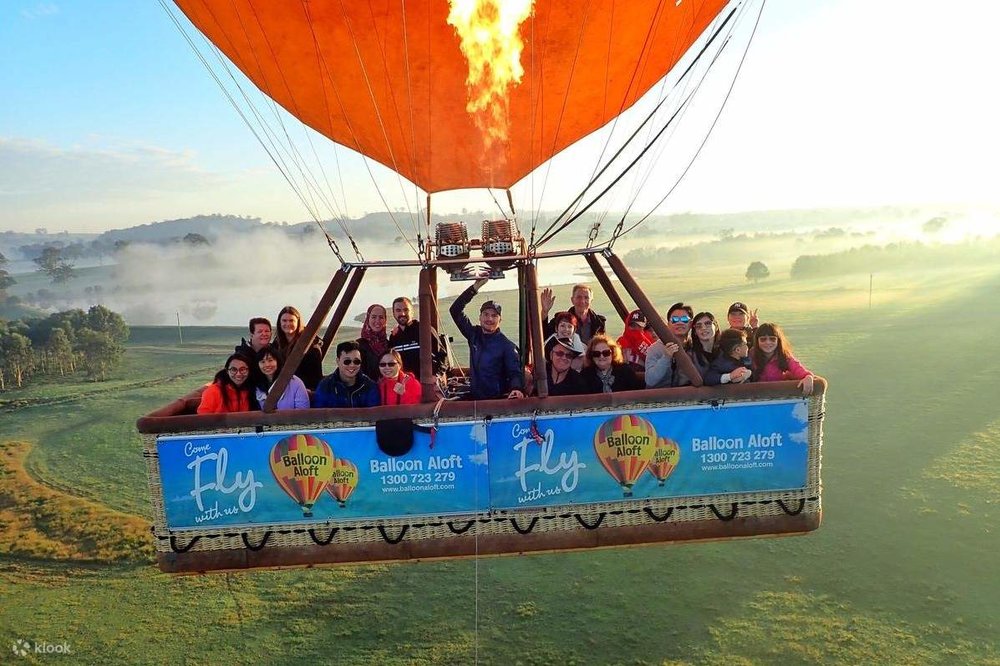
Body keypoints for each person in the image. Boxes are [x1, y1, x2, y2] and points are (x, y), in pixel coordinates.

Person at [449, 278, 524, 400]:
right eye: (486, 314)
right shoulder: (473, 334)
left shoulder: (507, 346)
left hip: (496, 401)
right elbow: (455, 310)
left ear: (500, 320)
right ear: (479, 317)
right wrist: (474, 289)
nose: (489, 319)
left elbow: (514, 372)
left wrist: (516, 388)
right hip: (475, 399)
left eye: (494, 316)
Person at [388, 296, 450, 376]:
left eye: (406, 310)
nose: (402, 313)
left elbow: (442, 356)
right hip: (405, 384)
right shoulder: (394, 337)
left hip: (426, 383)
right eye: (398, 310)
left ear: (412, 312)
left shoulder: (425, 330)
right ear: (393, 313)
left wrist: (437, 376)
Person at [751, 322, 815, 395]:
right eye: (763, 339)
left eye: (772, 339)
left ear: (778, 341)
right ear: (757, 341)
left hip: (778, 396)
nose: (768, 342)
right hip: (756, 397)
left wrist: (808, 377)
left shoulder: (784, 356)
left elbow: (799, 370)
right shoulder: (751, 355)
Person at [313, 341, 380, 408]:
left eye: (356, 361)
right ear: (338, 361)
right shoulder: (325, 386)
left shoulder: (370, 386)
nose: (352, 365)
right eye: (347, 361)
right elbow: (318, 415)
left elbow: (374, 416)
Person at [645, 302, 695, 388]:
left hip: (689, 396)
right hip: (661, 397)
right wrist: (666, 357)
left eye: (684, 319)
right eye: (675, 320)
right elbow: (650, 380)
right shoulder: (655, 349)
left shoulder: (695, 346)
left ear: (691, 324)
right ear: (668, 324)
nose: (679, 323)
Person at [274, 305, 324, 391]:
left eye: (291, 321)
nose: (287, 324)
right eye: (284, 321)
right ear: (279, 322)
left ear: (298, 322)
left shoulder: (311, 347)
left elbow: (316, 377)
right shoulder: (276, 344)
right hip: (282, 391)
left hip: (303, 391)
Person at [540, 284, 606, 343]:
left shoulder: (599, 323)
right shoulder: (560, 320)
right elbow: (543, 336)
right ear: (572, 300)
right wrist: (544, 312)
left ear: (591, 301)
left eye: (586, 298)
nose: (582, 301)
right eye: (579, 297)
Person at [253, 344, 310, 410]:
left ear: (278, 361)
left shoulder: (295, 382)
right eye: (262, 362)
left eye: (270, 360)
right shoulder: (256, 385)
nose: (267, 365)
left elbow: (303, 410)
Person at [356, 304, 390, 380]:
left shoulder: (389, 344)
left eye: (381, 317)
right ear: (368, 319)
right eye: (374, 317)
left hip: (386, 389)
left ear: (385, 320)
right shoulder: (359, 345)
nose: (377, 321)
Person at [618, 308, 654, 373]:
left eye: (639, 326)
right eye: (632, 325)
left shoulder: (651, 342)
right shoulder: (620, 343)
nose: (635, 328)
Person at [688, 311, 721, 378]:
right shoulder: (689, 356)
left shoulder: (727, 350)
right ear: (695, 332)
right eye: (698, 326)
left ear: (716, 327)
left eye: (708, 323)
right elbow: (683, 383)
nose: (703, 328)